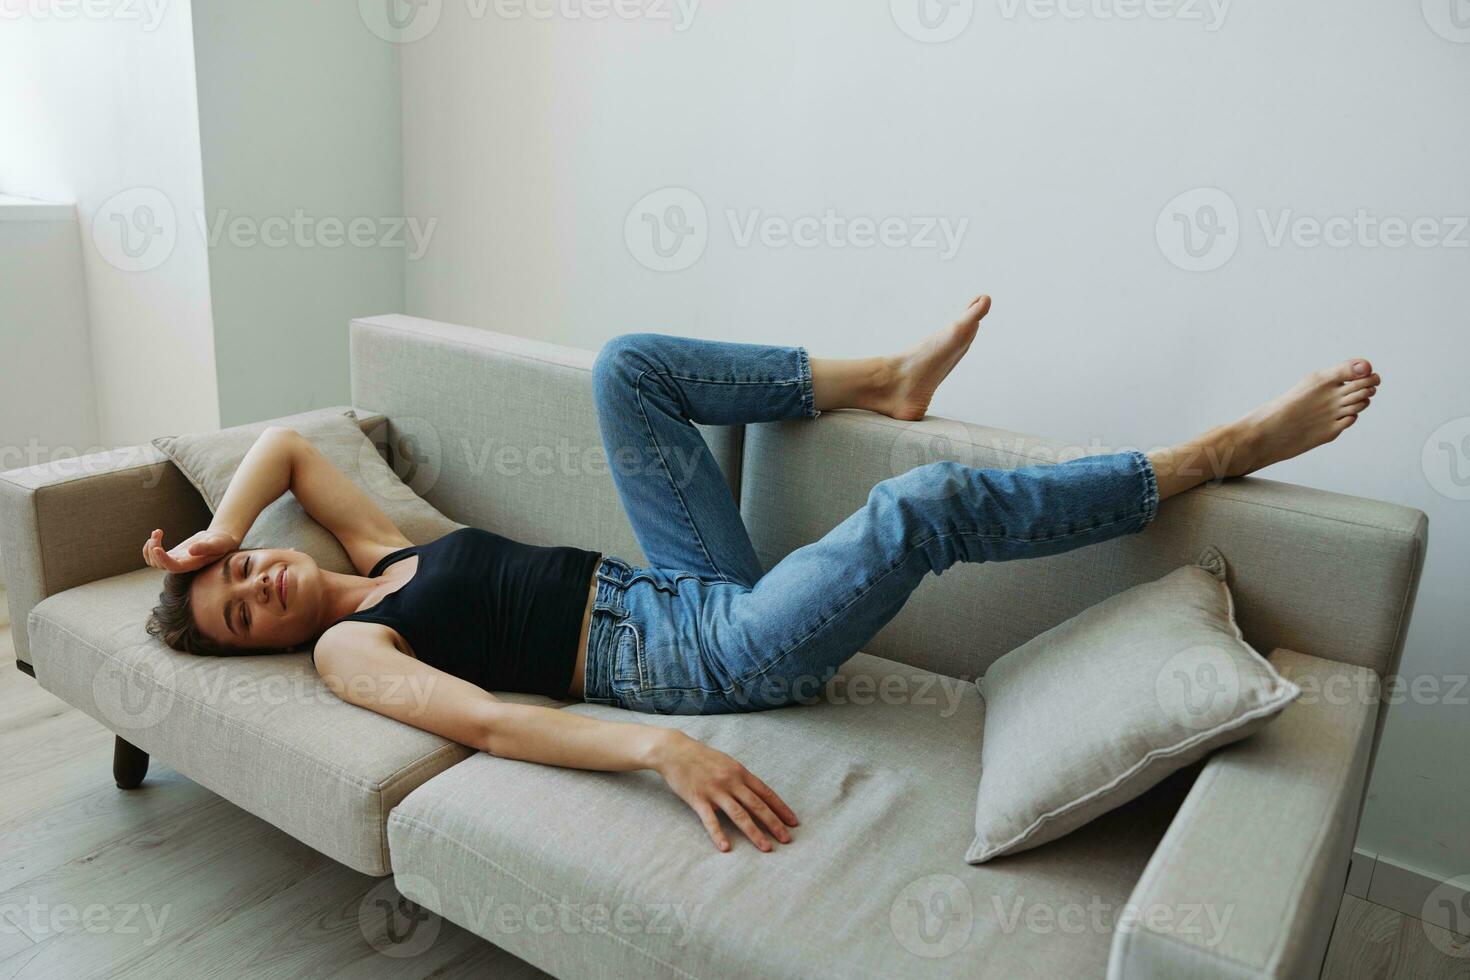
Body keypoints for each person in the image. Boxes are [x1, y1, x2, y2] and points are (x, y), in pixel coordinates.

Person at [143, 295, 1380, 853]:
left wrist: (207, 529)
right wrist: (658, 750)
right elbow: (487, 720)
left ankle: (882, 377)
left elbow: (292, 444)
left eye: (242, 569)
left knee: (627, 366)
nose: (257, 587)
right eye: (240, 613)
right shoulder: (352, 648)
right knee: (922, 505)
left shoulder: (374, 549)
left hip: (678, 585)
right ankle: (1206, 455)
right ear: (264, 644)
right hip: (699, 660)